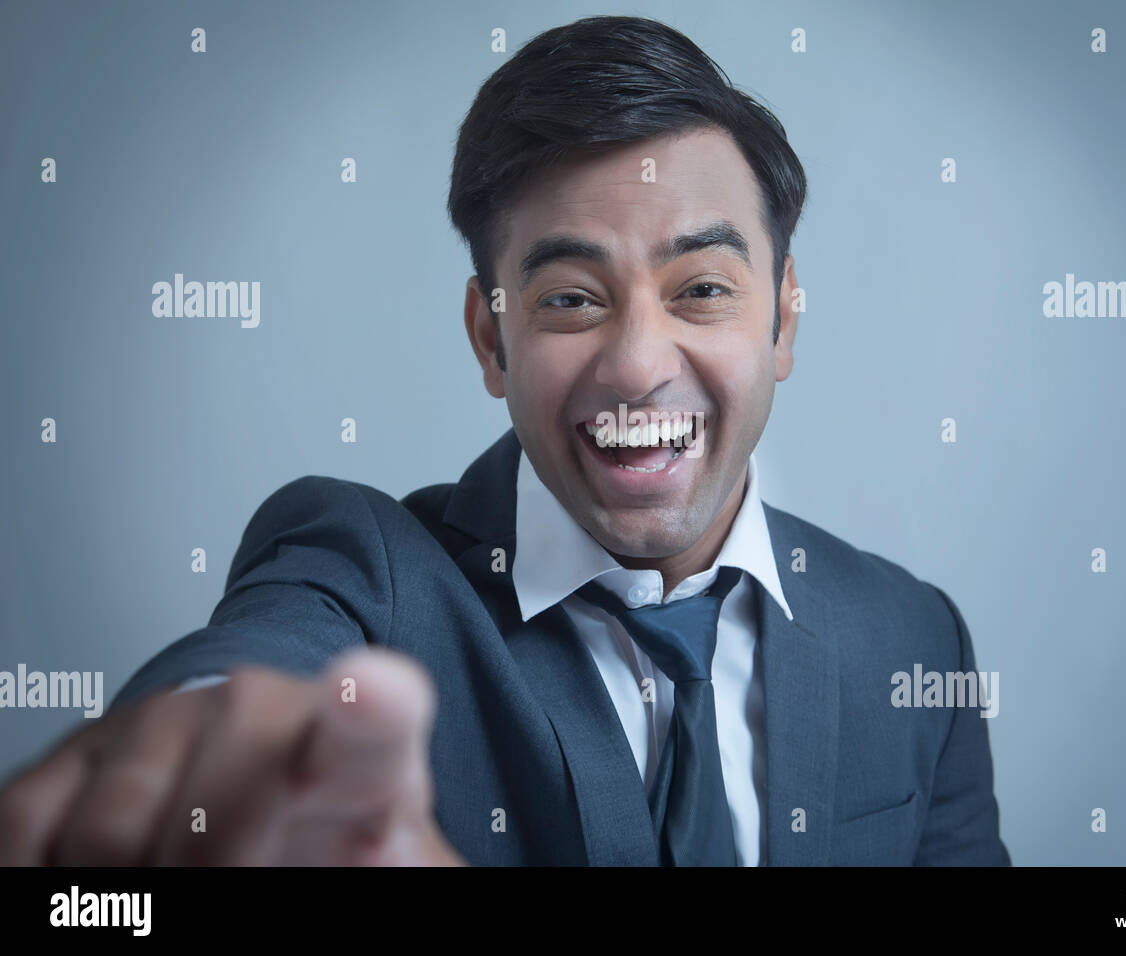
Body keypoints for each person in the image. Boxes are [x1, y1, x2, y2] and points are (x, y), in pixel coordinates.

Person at [0, 15, 1010, 867]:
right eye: (570, 299)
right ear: (492, 338)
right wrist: (220, 761)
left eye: (700, 289)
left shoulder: (912, 637)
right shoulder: (363, 568)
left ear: (782, 322)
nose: (635, 363)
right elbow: (256, 675)